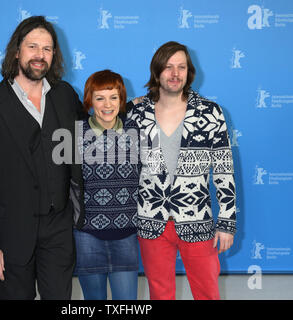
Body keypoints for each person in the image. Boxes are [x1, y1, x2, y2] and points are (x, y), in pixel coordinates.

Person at [0, 16, 83, 300]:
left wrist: (133, 108)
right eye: (32, 47)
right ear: (17, 51)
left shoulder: (65, 96)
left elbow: (93, 131)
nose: (40, 55)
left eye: (47, 49)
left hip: (58, 229)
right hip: (10, 234)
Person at [128, 41, 236, 300]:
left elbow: (224, 169)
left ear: (189, 72)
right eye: (168, 67)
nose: (175, 74)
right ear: (156, 72)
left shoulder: (211, 112)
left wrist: (227, 223)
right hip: (150, 219)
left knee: (207, 292)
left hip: (197, 218)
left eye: (181, 67)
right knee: (160, 293)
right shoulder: (135, 112)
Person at [70, 70, 141, 300]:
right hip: (87, 235)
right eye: (100, 98)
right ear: (90, 101)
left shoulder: (137, 132)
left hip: (127, 233)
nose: (107, 104)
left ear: (122, 100)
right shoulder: (74, 135)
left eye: (113, 97)